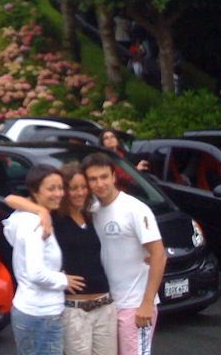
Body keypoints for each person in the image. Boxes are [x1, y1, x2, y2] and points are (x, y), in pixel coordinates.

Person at [7, 163, 117, 355]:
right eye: (72, 187)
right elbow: (10, 199)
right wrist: (40, 211)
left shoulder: (92, 214)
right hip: (67, 309)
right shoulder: (49, 219)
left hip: (103, 306)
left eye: (83, 187)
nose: (79, 192)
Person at [82, 152, 166, 355]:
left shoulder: (135, 209)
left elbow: (159, 255)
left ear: (113, 176)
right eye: (93, 179)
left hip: (135, 305)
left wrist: (146, 303)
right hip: (107, 305)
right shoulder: (92, 211)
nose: (100, 183)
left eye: (104, 177)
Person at [2, 164, 84, 355]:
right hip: (41, 315)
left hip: (31, 310)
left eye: (60, 188)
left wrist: (42, 210)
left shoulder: (22, 217)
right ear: (34, 191)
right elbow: (36, 273)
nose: (59, 194)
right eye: (51, 189)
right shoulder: (36, 225)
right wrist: (64, 280)